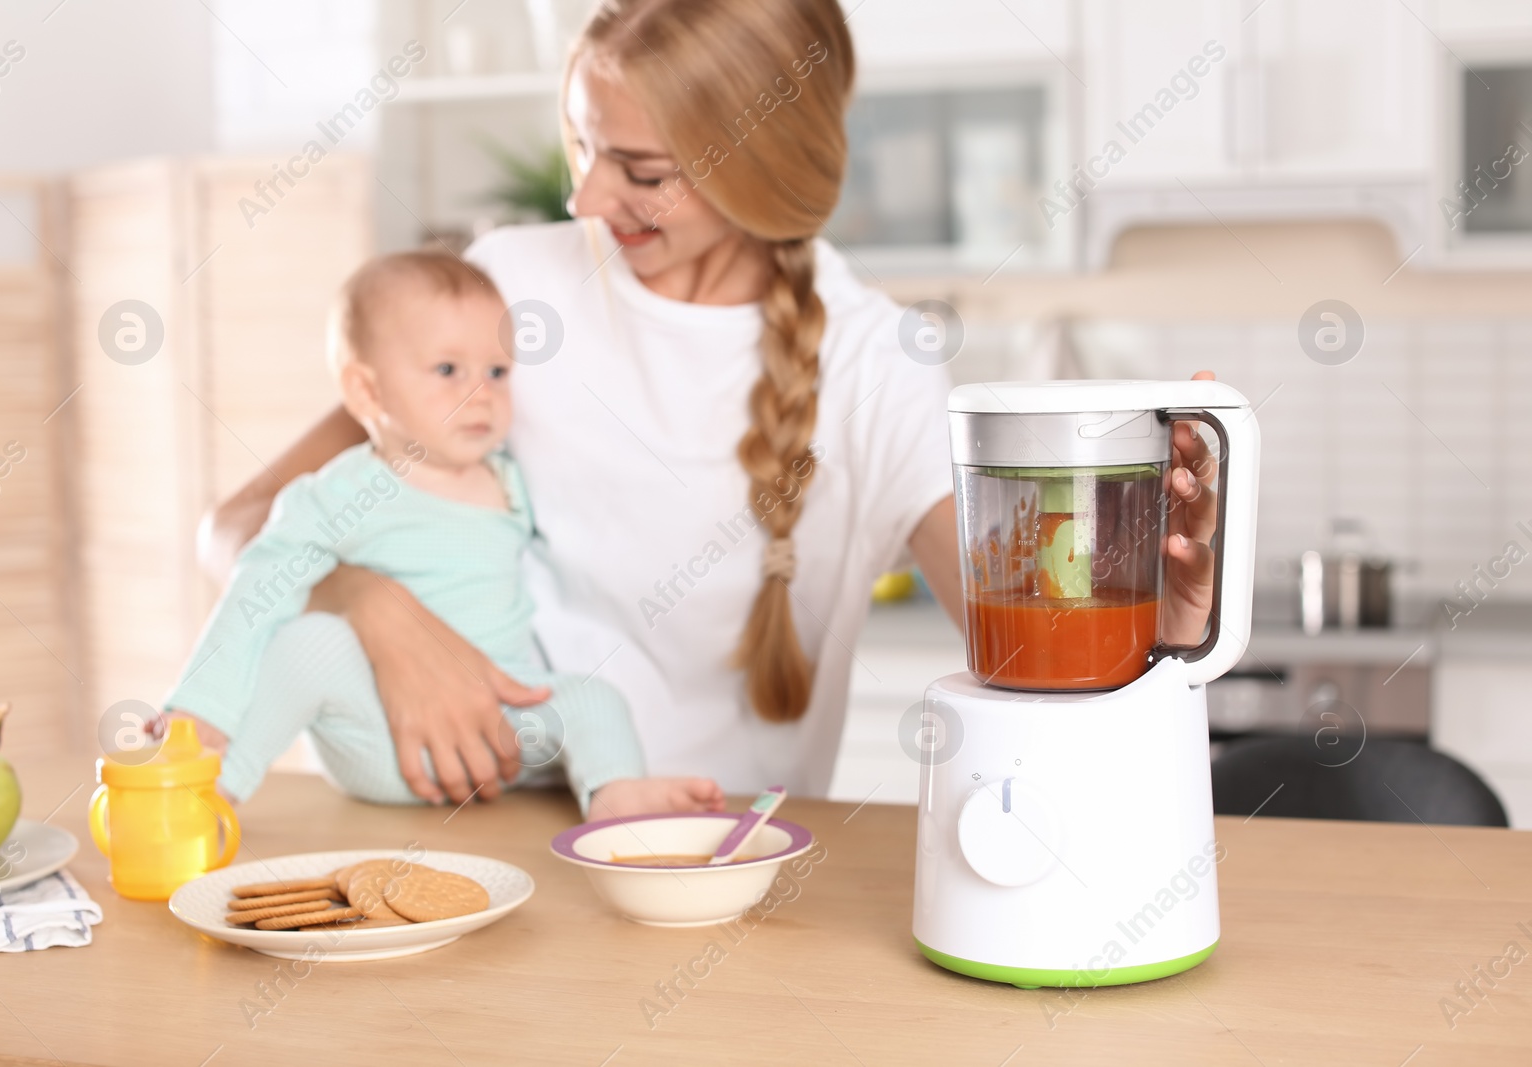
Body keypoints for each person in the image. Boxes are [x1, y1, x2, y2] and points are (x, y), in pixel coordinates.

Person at [199, 0, 1219, 806]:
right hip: (487, 833)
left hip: (721, 874)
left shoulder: (874, 364)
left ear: (762, 171)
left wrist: (1160, 627)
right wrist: (371, 605)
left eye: (640, 171)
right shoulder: (508, 294)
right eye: (581, 145)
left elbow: (1024, 658)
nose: (586, 201)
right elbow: (236, 527)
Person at [165, 251, 723, 817]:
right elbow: (256, 586)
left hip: (498, 726)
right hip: (379, 736)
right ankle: (214, 793)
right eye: (448, 370)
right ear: (368, 393)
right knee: (306, 645)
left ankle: (615, 798)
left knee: (595, 697)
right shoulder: (338, 493)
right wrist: (200, 704)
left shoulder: (511, 479)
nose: (481, 394)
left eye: (497, 372)